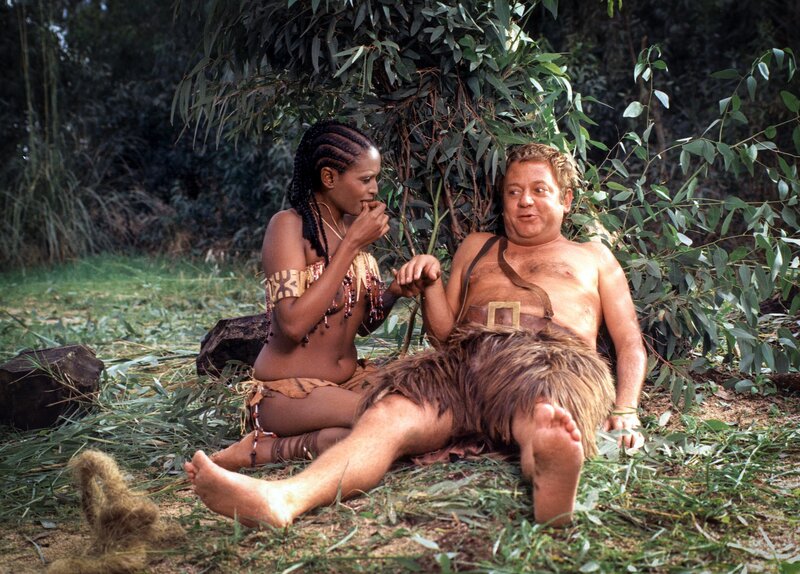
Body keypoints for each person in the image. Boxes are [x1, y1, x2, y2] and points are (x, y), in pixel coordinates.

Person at [185, 142, 647, 527]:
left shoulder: (593, 256)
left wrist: (626, 409)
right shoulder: (477, 247)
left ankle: (549, 474)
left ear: (566, 199)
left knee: (541, 414)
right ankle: (285, 499)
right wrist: (430, 283)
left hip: (553, 359)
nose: (524, 201)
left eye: (539, 190)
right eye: (514, 192)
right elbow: (445, 334)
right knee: (387, 416)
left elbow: (629, 342)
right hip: (465, 361)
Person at [210, 119, 411, 471]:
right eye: (365, 179)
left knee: (420, 412)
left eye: (376, 179)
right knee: (392, 421)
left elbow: (357, 326)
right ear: (329, 177)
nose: (375, 189)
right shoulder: (288, 226)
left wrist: (394, 292)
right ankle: (260, 451)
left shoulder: (351, 227)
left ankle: (316, 440)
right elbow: (292, 325)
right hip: (289, 392)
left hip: (347, 384)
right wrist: (352, 245)